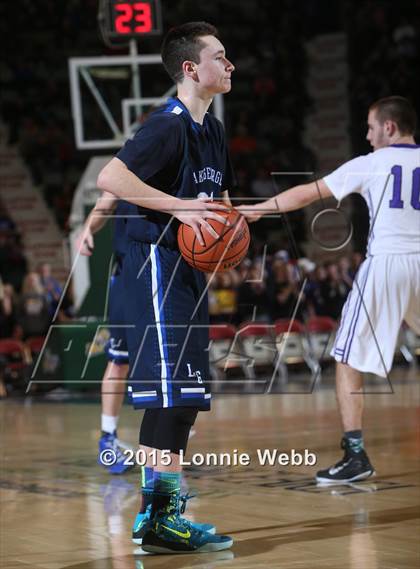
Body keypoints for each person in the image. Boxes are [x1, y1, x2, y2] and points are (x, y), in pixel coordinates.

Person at [97, 22, 234, 553]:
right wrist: (179, 207)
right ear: (190, 69)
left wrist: (226, 233)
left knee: (184, 398)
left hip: (187, 270)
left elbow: (217, 200)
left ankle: (161, 513)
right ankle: (157, 516)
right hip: (154, 263)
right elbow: (112, 178)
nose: (229, 65)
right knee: (172, 396)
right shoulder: (167, 125)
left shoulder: (213, 131)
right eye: (220, 57)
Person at [239, 96, 420, 484]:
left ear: (389, 127)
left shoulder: (372, 163)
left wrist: (258, 209)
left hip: (387, 264)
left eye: (371, 128)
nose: (368, 136)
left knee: (346, 356)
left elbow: (307, 193)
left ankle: (355, 455)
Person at [76, 192, 134, 475]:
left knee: (170, 361)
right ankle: (108, 436)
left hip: (175, 273)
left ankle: (169, 438)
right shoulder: (134, 157)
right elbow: (105, 202)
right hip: (131, 275)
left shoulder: (190, 160)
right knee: (119, 359)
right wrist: (88, 227)